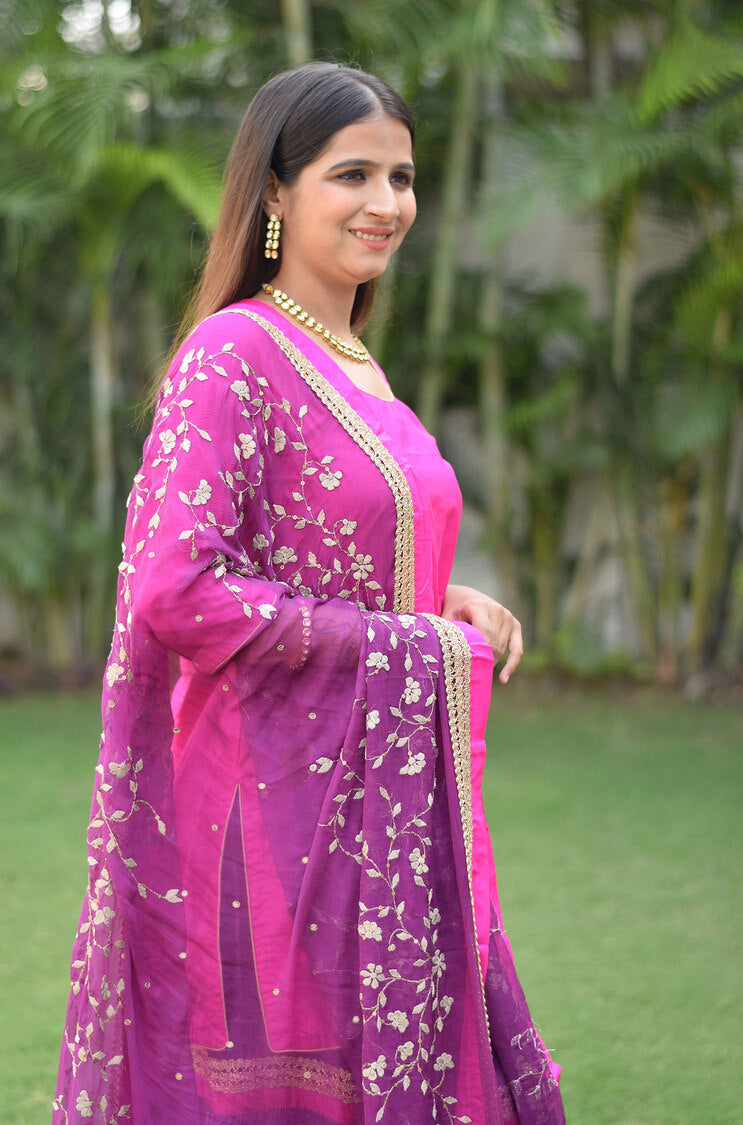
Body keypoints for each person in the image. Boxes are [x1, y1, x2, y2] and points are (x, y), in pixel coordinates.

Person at [53, 62, 565, 1125]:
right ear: (276, 195)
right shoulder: (234, 352)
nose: (388, 204)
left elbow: (333, 556)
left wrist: (442, 602)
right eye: (353, 175)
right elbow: (174, 589)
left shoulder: (358, 363)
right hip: (275, 807)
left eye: (403, 176)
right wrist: (404, 644)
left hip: (382, 804)